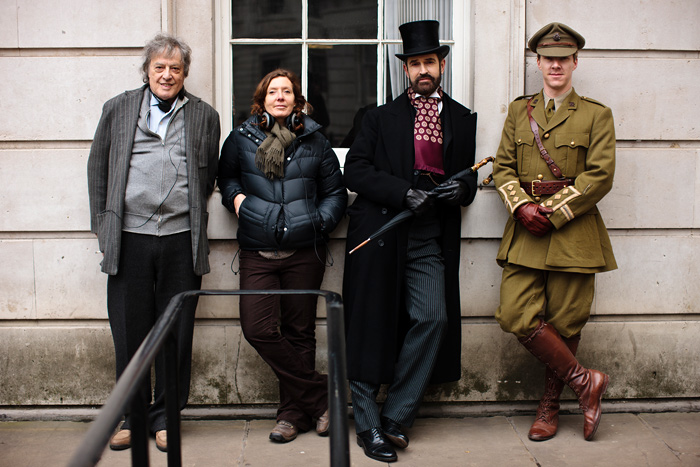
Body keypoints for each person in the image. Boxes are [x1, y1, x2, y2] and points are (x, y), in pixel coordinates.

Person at [343, 20, 478, 463]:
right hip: (381, 233)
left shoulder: (461, 117)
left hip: (428, 237)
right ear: (405, 69)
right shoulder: (377, 117)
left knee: (433, 317)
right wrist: (402, 192)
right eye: (415, 63)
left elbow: (468, 175)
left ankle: (396, 416)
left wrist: (464, 188)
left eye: (430, 62)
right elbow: (355, 170)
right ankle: (368, 425)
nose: (423, 70)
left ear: (442, 65)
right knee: (369, 326)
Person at [87, 33, 221, 452]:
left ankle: (166, 418)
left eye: (175, 68)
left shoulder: (204, 115)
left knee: (175, 333)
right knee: (130, 333)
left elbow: (208, 174)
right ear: (146, 71)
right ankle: (133, 416)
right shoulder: (118, 108)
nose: (167, 74)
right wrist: (104, 229)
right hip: (129, 239)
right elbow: (98, 168)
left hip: (181, 239)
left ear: (185, 74)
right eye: (159, 67)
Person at [492, 22, 616, 442]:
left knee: (565, 322)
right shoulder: (519, 111)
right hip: (526, 228)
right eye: (549, 58)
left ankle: (549, 407)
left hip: (573, 230)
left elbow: (600, 176)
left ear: (575, 62)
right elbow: (503, 167)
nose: (556, 65)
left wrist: (554, 212)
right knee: (514, 313)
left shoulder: (596, 114)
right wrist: (521, 206)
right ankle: (585, 382)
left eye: (564, 58)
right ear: (539, 63)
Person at [218, 69, 347, 443]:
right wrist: (240, 203)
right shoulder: (241, 138)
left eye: (286, 91)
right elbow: (227, 179)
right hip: (257, 249)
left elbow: (335, 193)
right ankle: (321, 396)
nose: (279, 96)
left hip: (305, 250)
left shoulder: (316, 141)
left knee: (299, 332)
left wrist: (319, 222)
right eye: (272, 91)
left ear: (296, 100)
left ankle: (292, 415)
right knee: (257, 328)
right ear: (262, 99)